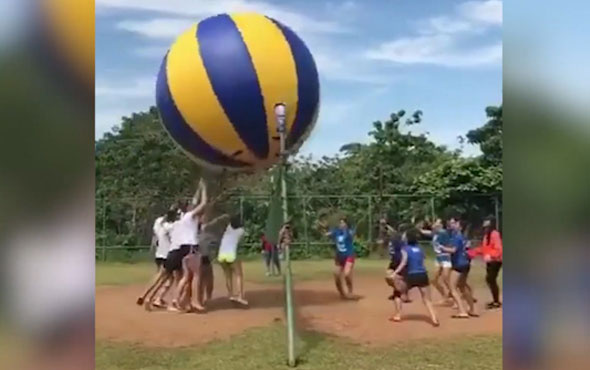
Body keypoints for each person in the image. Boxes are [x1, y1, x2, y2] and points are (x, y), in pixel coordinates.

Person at [167, 179, 208, 312]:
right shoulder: (190, 216)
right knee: (196, 275)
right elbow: (203, 203)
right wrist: (204, 189)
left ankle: (175, 300)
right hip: (191, 247)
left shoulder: (183, 218)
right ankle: (195, 302)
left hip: (183, 248)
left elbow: (195, 203)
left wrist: (198, 188)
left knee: (186, 277)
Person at [387, 228, 439, 326]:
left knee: (397, 292)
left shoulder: (405, 249)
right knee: (427, 299)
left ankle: (398, 315)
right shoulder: (419, 249)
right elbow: (422, 259)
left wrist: (395, 273)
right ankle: (434, 319)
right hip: (423, 274)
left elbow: (404, 262)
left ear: (407, 238)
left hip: (411, 275)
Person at [136, 209, 177, 308]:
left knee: (169, 278)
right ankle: (150, 297)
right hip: (168, 255)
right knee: (162, 278)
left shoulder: (158, 222)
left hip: (159, 254)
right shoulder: (172, 226)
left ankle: (156, 298)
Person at [440, 217, 478, 318]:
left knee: (452, 287)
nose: (452, 225)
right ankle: (471, 309)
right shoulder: (461, 236)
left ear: (459, 226)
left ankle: (462, 311)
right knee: (463, 287)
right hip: (465, 263)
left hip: (459, 264)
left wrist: (442, 248)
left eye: (454, 223)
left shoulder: (457, 236)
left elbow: (453, 250)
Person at [468, 216, 503, 309]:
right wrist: (473, 252)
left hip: (496, 260)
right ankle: (495, 301)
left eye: (487, 224)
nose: (485, 226)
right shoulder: (486, 235)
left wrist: (491, 256)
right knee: (490, 280)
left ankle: (496, 301)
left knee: (490, 279)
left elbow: (499, 248)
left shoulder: (494, 234)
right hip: (490, 261)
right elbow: (484, 248)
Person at [419, 218, 453, 304]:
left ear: (441, 225)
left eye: (437, 222)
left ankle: (454, 297)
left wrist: (431, 226)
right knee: (434, 280)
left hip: (446, 257)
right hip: (438, 258)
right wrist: (419, 228)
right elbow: (425, 232)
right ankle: (445, 296)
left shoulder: (443, 233)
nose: (435, 224)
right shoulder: (435, 234)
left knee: (446, 279)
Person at [217, 215, 248, 306]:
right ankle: (240, 296)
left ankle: (230, 294)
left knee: (228, 275)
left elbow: (227, 221)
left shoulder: (228, 229)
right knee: (239, 275)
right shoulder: (241, 231)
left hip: (221, 254)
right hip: (231, 253)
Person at [324, 217, 356, 299]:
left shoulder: (349, 232)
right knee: (336, 275)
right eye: (340, 223)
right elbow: (327, 234)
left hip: (349, 255)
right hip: (339, 256)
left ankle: (350, 291)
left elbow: (351, 235)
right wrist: (324, 228)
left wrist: (346, 230)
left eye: (343, 223)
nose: (341, 224)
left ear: (346, 224)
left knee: (347, 274)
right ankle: (342, 293)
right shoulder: (336, 232)